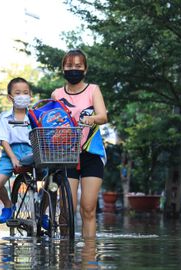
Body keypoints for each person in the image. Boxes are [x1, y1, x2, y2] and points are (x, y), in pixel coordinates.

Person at [51, 49, 108, 238]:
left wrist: (92, 119)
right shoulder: (57, 94)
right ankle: (64, 254)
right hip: (66, 154)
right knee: (66, 209)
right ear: (62, 69)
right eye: (69, 66)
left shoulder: (93, 90)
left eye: (78, 66)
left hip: (91, 152)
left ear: (85, 69)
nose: (73, 70)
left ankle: (88, 258)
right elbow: (51, 122)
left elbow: (103, 116)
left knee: (88, 208)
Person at [0, 77, 32, 224]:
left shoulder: (35, 115)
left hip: (33, 152)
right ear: (10, 97)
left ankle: (44, 213)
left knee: (52, 181)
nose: (22, 95)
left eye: (26, 92)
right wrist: (14, 158)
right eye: (18, 92)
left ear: (30, 95)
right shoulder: (4, 117)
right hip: (10, 153)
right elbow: (3, 140)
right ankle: (8, 205)